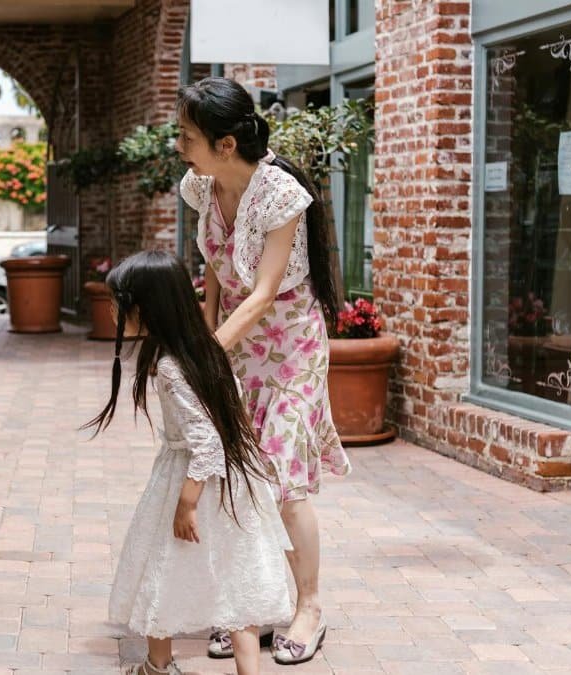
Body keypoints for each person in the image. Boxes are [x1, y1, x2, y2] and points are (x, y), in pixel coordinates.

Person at [175, 76, 351, 665]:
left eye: (188, 135)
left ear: (226, 144)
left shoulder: (280, 196)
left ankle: (308, 606)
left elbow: (263, 291)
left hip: (291, 349)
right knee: (238, 477)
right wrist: (204, 337)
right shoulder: (201, 188)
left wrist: (205, 357)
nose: (179, 144)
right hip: (237, 348)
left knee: (282, 478)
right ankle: (250, 603)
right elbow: (216, 279)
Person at [88, 250, 293, 675]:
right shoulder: (207, 350)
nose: (112, 311)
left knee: (160, 566)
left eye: (118, 303)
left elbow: (207, 442)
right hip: (234, 484)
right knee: (239, 576)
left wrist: (186, 504)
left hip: (193, 480)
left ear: (146, 309)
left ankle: (157, 666)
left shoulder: (169, 366)